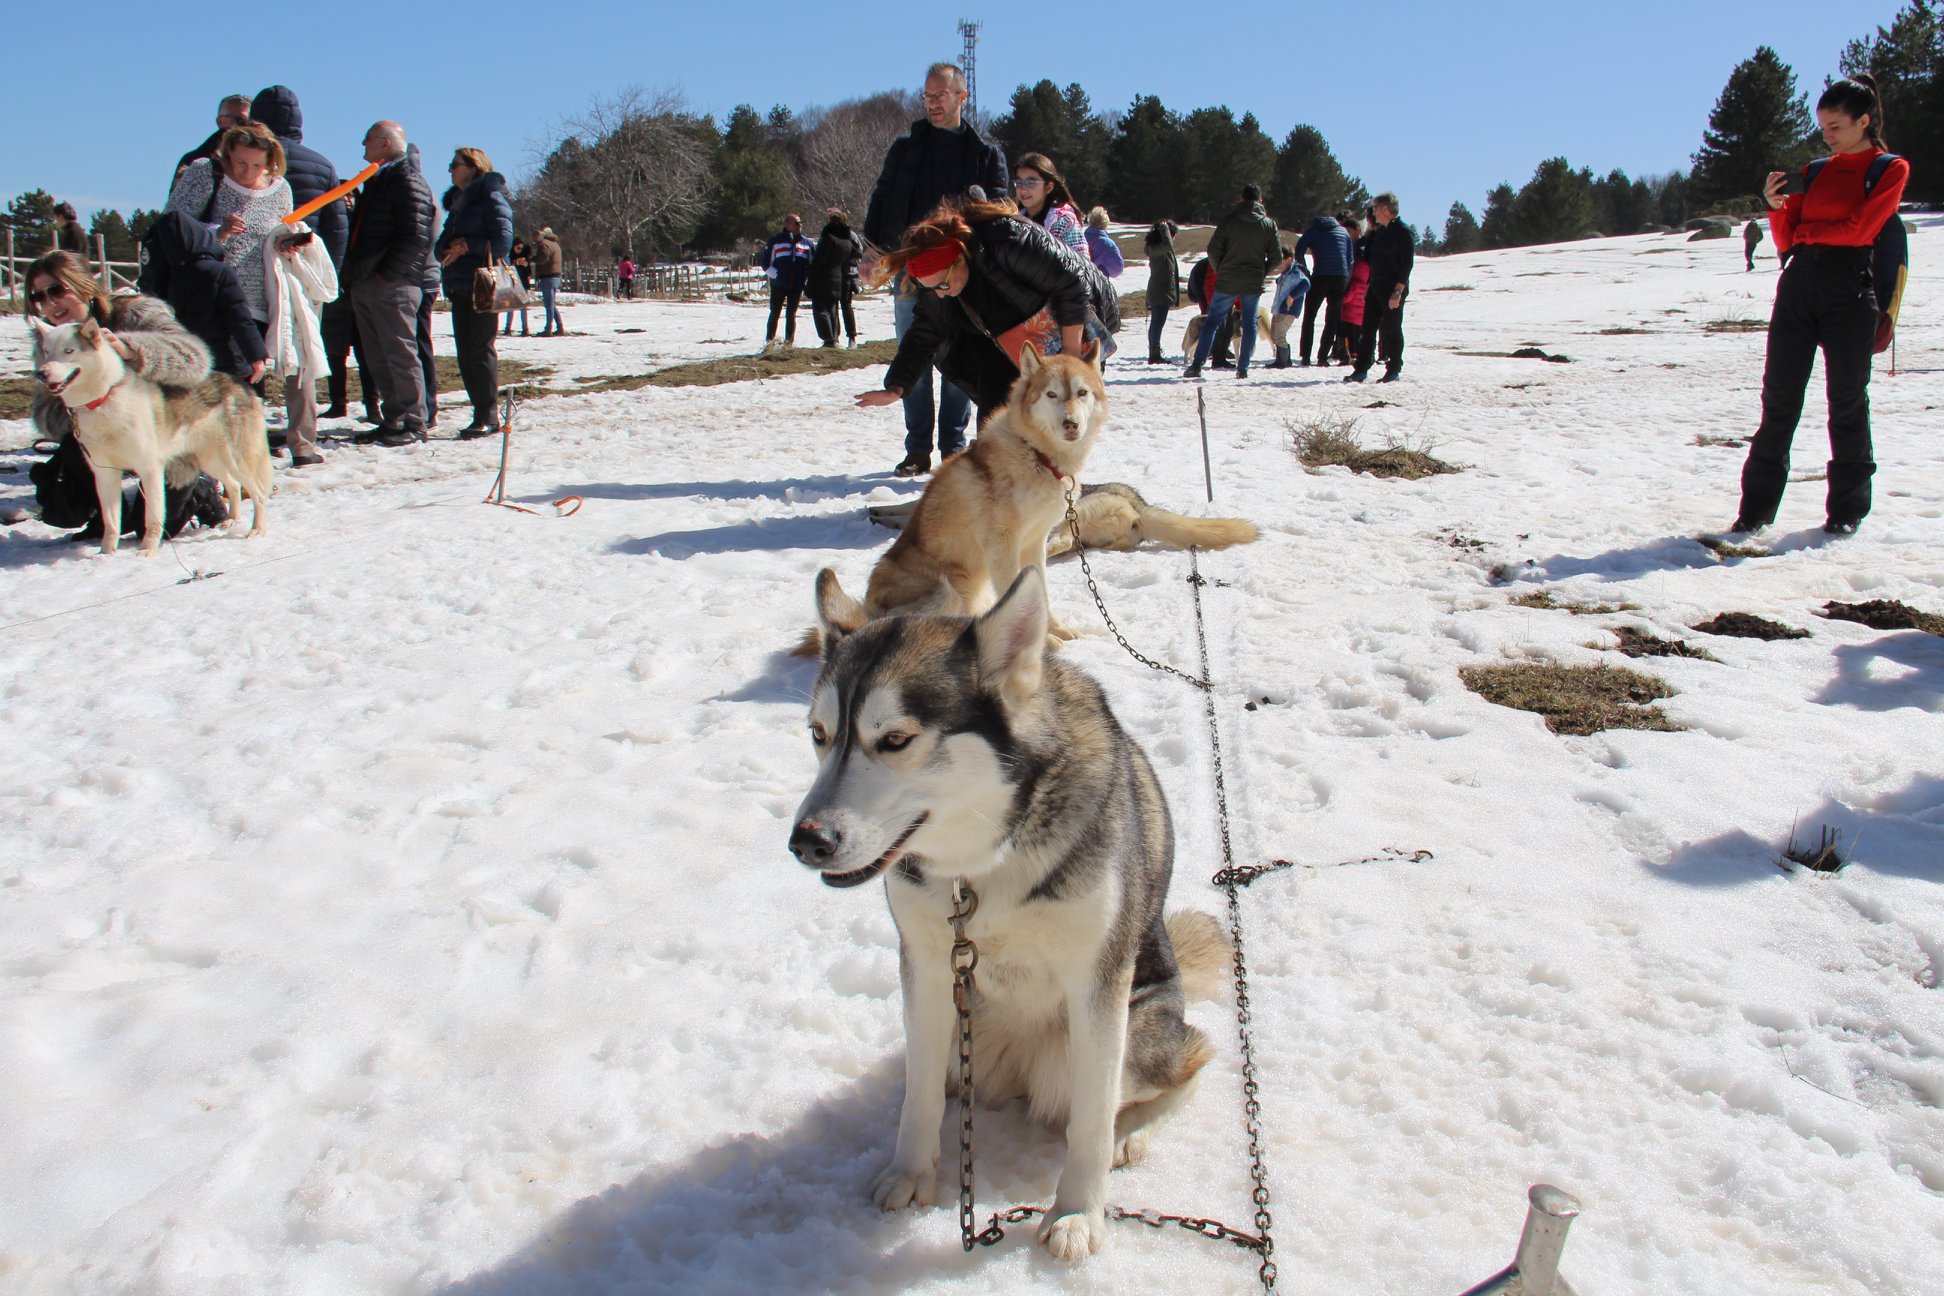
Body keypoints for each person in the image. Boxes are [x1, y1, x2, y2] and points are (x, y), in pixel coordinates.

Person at [1732, 75, 1907, 538]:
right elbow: (1788, 241)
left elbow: (1861, 230)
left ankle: (1846, 512)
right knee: (1779, 401)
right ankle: (1754, 514)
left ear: (1863, 122)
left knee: (1846, 402)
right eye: (1823, 127)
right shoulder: (1812, 172)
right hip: (1798, 289)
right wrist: (1775, 207)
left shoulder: (1889, 169)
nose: (1825, 136)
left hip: (1849, 293)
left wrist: (1808, 233)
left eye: (1834, 127)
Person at [862, 60, 1009, 477]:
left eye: (940, 96)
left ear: (962, 97)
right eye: (927, 97)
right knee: (915, 353)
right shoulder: (906, 149)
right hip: (910, 267)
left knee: (961, 358)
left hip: (962, 274)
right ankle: (916, 448)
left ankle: (953, 444)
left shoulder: (985, 154)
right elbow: (882, 200)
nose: (932, 104)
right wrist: (874, 250)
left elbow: (1001, 208)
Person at [854, 196, 1109, 434]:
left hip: (1070, 325)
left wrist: (1071, 351)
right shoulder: (940, 285)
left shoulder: (1006, 239)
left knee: (1056, 425)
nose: (940, 294)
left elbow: (1073, 283)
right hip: (1004, 346)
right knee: (994, 427)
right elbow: (924, 333)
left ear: (961, 260)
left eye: (942, 285)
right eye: (931, 289)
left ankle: (1054, 479)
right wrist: (896, 387)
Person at [23, 252, 227, 540]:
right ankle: (105, 514)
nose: (50, 303)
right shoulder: (51, 345)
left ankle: (200, 490)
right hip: (107, 438)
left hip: (165, 435)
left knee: (154, 530)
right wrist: (87, 400)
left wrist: (132, 351)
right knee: (75, 449)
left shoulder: (135, 313)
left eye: (57, 290)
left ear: (83, 285)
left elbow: (196, 362)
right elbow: (45, 415)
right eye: (39, 298)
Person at [249, 86, 346, 464]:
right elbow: (337, 225)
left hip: (252, 272)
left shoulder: (246, 159)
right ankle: (303, 441)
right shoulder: (321, 164)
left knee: (250, 358)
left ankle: (251, 437)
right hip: (299, 272)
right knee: (302, 356)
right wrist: (324, 278)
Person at [165, 122, 295, 397]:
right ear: (226, 154)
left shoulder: (281, 189)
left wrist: (288, 244)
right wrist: (216, 232)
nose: (248, 171)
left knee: (248, 384)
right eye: (240, 162)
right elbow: (173, 226)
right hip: (206, 299)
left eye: (258, 165)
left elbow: (277, 233)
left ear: (272, 161)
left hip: (256, 304)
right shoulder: (205, 173)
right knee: (204, 385)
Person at [340, 120, 435, 446]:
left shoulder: (407, 180)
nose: (361, 146)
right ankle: (393, 417)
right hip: (369, 281)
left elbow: (416, 236)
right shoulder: (379, 180)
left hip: (392, 283)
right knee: (378, 354)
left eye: (366, 139)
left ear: (383, 142)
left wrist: (388, 273)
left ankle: (413, 420)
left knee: (399, 353)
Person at [436, 146, 515, 438]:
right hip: (458, 286)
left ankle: (488, 415)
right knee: (465, 353)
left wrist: (468, 246)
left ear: (473, 166)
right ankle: (478, 412)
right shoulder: (458, 205)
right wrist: (447, 249)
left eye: (454, 164)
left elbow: (504, 245)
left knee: (480, 350)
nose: (449, 170)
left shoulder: (493, 201)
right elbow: (439, 244)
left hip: (483, 287)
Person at [136, 212, 265, 387]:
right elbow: (239, 317)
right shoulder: (219, 271)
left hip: (192, 362)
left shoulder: (168, 278)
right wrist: (256, 356)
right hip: (229, 361)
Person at [1186, 183, 1280, 380]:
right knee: (1250, 323)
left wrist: (1221, 270)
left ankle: (1196, 365)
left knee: (1212, 321)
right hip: (1252, 281)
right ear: (1260, 201)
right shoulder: (1268, 225)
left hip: (1227, 279)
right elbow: (1277, 257)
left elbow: (1212, 250)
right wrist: (1262, 272)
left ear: (1241, 199)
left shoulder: (1229, 221)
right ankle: (1243, 368)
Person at [1347, 192, 1412, 383]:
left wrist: (1398, 291)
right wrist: (1368, 286)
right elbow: (1372, 261)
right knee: (1367, 329)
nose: (1372, 212)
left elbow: (1407, 265)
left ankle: (1393, 369)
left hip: (1392, 289)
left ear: (1385, 209)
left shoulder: (1402, 231)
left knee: (1392, 329)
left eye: (1375, 208)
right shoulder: (1379, 232)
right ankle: (1361, 368)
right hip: (1375, 286)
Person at [1294, 210, 1354, 366]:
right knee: (1332, 319)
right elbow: (1350, 259)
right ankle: (1322, 357)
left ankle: (1306, 356)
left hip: (1320, 276)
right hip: (1340, 278)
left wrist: (1305, 272)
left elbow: (1298, 252)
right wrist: (1346, 279)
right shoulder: (1343, 232)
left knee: (1309, 317)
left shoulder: (1313, 230)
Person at [807, 208, 861, 348]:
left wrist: (812, 273)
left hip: (826, 276)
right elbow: (857, 253)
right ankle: (834, 337)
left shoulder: (830, 238)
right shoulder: (847, 240)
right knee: (833, 307)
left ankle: (829, 338)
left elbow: (820, 259)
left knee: (821, 307)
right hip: (839, 276)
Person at [1014, 154, 1087, 256]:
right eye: (1019, 182)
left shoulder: (1064, 221)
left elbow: (1081, 267)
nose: (1023, 189)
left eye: (1031, 182)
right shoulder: (1013, 219)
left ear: (1048, 187)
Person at [760, 214, 813, 345]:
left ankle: (789, 342)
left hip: (797, 284)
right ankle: (769, 341)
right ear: (787, 225)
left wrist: (807, 279)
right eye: (796, 223)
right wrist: (775, 275)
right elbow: (766, 263)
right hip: (779, 284)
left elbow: (811, 264)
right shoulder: (776, 241)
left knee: (791, 314)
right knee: (775, 312)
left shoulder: (807, 243)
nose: (799, 225)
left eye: (800, 223)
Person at [174, 93, 253, 179]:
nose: (246, 127)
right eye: (241, 120)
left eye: (252, 122)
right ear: (220, 121)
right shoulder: (194, 161)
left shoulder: (261, 160)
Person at [1266, 249, 1310, 368]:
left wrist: (1292, 296)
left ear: (1289, 260)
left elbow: (1306, 284)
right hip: (1279, 309)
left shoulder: (1295, 273)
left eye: (1280, 261)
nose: (1278, 264)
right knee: (1274, 334)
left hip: (1288, 310)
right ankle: (1285, 358)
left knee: (1279, 334)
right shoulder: (1286, 274)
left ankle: (1282, 361)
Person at [1144, 220, 1179, 364]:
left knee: (1157, 322)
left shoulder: (1158, 249)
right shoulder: (1158, 249)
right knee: (1157, 323)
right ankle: (1154, 354)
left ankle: (1155, 352)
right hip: (1160, 291)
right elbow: (1168, 245)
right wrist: (1164, 228)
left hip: (1162, 290)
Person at [533, 226, 564, 336]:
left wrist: (532, 259)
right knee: (551, 304)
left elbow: (542, 259)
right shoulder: (556, 244)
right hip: (556, 277)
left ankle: (548, 328)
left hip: (548, 277)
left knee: (548, 304)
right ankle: (559, 326)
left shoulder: (544, 244)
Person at [1083, 207, 1124, 278]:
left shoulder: (1081, 238)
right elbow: (1117, 269)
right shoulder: (1107, 243)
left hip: (1082, 279)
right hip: (1099, 281)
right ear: (1105, 222)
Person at [503, 238, 532, 336]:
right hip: (512, 283)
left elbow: (529, 272)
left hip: (523, 284)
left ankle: (525, 328)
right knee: (510, 307)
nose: (519, 249)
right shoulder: (510, 257)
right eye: (517, 247)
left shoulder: (525, 257)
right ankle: (508, 328)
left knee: (523, 307)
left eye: (521, 247)